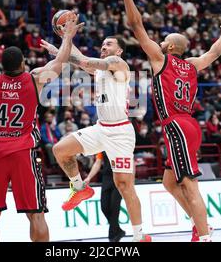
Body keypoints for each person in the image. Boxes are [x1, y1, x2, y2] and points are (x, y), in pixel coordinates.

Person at [110, 0, 221, 242]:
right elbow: (215, 52)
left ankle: (205, 236)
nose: (160, 40)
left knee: (189, 184)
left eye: (164, 40)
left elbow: (136, 26)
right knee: (170, 182)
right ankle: (199, 225)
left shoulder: (160, 59)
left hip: (176, 125)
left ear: (168, 48)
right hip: (191, 125)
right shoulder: (191, 65)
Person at [0, 17, 82, 242]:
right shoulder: (35, 78)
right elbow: (60, 60)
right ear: (22, 64)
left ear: (3, 65)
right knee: (36, 214)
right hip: (23, 155)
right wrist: (67, 35)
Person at [41, 35, 151, 242]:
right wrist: (66, 38)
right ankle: (80, 188)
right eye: (102, 44)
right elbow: (82, 58)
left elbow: (84, 61)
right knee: (60, 150)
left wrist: (61, 52)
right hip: (101, 128)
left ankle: (139, 236)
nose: (103, 46)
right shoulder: (101, 70)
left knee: (124, 186)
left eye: (109, 44)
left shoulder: (119, 63)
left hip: (120, 132)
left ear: (119, 51)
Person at [85, 152, 125, 242]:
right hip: (106, 177)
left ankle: (112, 237)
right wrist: (89, 177)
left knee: (114, 206)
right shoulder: (102, 146)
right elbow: (98, 162)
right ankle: (117, 230)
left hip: (119, 176)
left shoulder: (120, 142)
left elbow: (129, 160)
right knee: (104, 207)